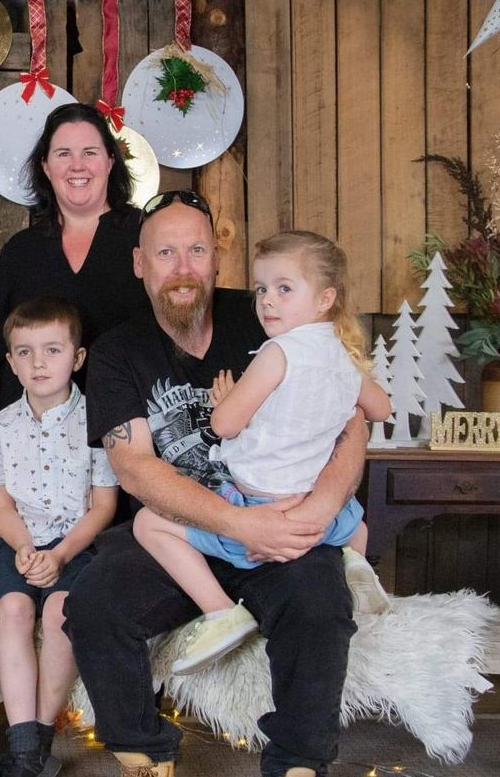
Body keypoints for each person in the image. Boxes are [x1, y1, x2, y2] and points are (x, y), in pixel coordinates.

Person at [62, 190, 369, 777]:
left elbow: (353, 417)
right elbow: (135, 466)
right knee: (97, 601)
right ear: (140, 265)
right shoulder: (118, 354)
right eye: (165, 251)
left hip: (283, 520)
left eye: (197, 249)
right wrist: (236, 524)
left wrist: (320, 508)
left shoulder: (272, 317)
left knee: (321, 604)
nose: (183, 266)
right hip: (192, 534)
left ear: (218, 254)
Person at [133, 230, 392, 676]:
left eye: (284, 289)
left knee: (148, 522)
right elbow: (381, 408)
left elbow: (224, 426)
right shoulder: (342, 356)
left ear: (325, 298)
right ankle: (353, 565)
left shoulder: (276, 353)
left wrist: (226, 400)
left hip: (260, 505)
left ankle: (220, 612)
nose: (267, 301)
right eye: (262, 289)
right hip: (320, 511)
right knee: (356, 521)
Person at [0, 101, 149, 487]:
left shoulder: (145, 234)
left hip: (130, 438)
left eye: (90, 152)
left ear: (110, 161)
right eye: (63, 153)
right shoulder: (22, 250)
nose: (78, 165)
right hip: (35, 446)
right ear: (45, 166)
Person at [0, 297, 118, 777]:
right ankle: (23, 746)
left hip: (76, 543)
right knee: (15, 611)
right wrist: (23, 548)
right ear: (12, 361)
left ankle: (35, 742)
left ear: (77, 358)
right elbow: (1, 504)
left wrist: (59, 554)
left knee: (60, 614)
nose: (39, 363)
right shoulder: (0, 428)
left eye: (52, 350)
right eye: (25, 352)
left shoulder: (97, 425)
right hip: (19, 541)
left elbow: (103, 506)